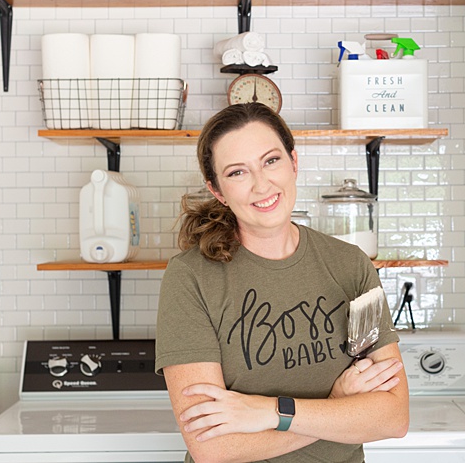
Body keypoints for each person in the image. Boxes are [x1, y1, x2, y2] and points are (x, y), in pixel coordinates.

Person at [155, 103, 409, 463]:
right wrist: (336, 405)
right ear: (218, 191)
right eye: (237, 172)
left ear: (293, 162)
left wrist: (270, 412)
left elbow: (392, 417)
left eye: (270, 161)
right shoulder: (192, 277)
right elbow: (213, 448)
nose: (262, 184)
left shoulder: (350, 266)